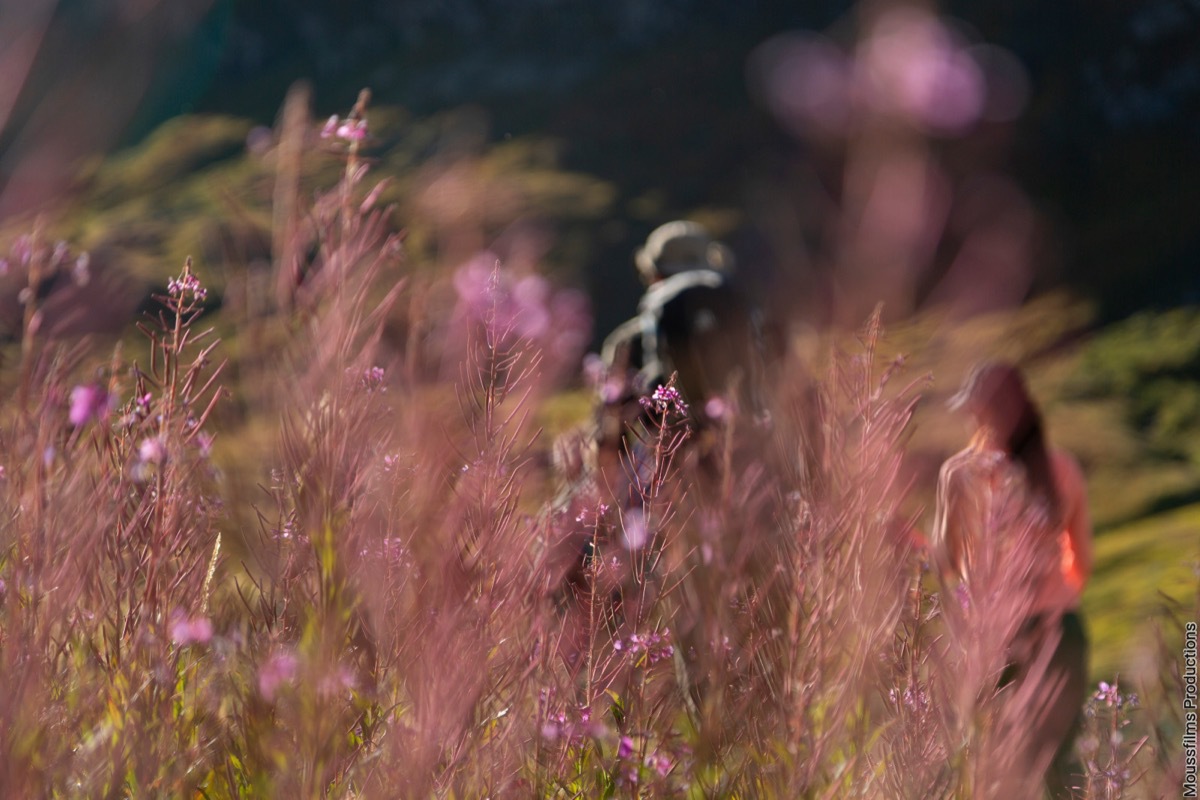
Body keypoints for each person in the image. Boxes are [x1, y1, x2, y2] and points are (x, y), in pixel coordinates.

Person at [931, 361, 1092, 797]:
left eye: (974, 410)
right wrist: (1052, 605)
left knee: (999, 772)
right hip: (1063, 634)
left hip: (998, 641)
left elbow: (945, 564)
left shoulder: (961, 476)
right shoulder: (1064, 469)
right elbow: (1082, 564)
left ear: (985, 414)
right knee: (1062, 768)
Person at [595, 220, 770, 456]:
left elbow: (610, 429)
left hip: (676, 469)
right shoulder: (741, 311)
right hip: (756, 453)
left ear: (654, 274)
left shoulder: (626, 340)